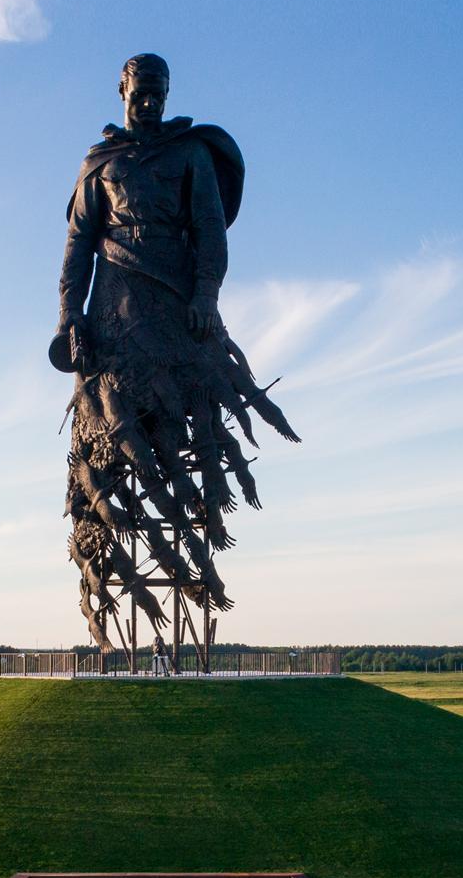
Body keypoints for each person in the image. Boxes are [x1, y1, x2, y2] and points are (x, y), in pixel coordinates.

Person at [55, 54, 299, 655]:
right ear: (122, 91)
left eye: (159, 93)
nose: (150, 102)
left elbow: (211, 232)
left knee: (190, 434)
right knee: (112, 444)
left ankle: (199, 558)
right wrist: (70, 317)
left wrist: (206, 294)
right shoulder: (99, 164)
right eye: (141, 92)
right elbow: (77, 247)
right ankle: (116, 619)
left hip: (175, 306)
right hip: (114, 314)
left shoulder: (191, 153)